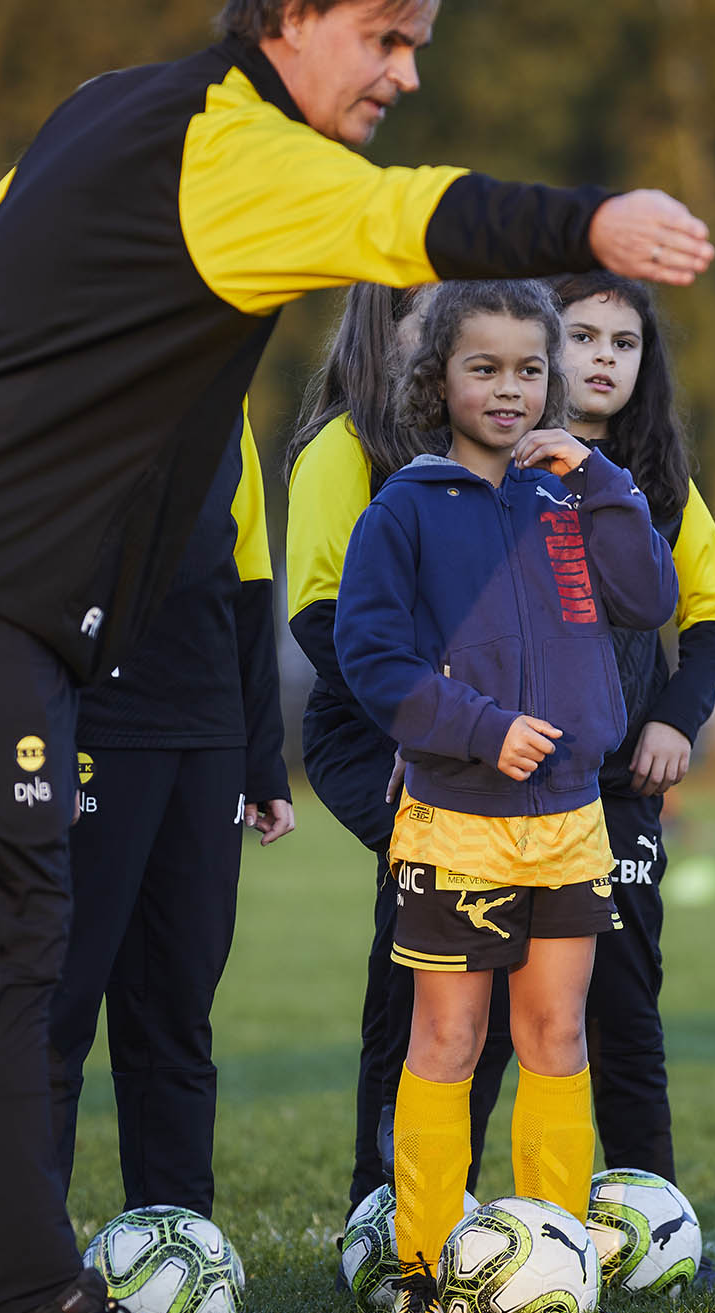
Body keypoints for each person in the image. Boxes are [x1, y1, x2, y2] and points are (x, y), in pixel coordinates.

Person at [0, 1, 712, 1313]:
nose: (406, 72)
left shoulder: (107, 110)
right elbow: (411, 218)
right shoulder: (224, 147)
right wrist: (595, 227)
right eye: (387, 36)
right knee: (3, 955)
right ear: (293, 19)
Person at [336, 278, 679, 1313]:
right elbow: (370, 656)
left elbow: (650, 598)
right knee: (443, 1043)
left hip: (572, 817)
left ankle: (555, 1266)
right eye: (482, 367)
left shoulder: (571, 490)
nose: (509, 388)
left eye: (529, 368)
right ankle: (428, 1273)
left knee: (556, 1036)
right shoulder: (405, 507)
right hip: (457, 820)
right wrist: (479, 730)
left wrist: (601, 475)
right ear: (436, 378)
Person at [465, 270, 715, 1290]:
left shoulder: (663, 486)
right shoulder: (490, 470)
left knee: (622, 1014)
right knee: (475, 1021)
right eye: (580, 336)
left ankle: (652, 1234)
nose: (600, 358)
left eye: (622, 343)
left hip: (616, 795)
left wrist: (675, 720)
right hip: (494, 792)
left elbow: (711, 618)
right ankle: (430, 1238)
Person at [284, 284, 514, 1240]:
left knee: (502, 964)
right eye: (433, 321)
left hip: (472, 732)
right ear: (391, 333)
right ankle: (383, 1206)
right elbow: (320, 613)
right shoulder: (344, 447)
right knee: (425, 957)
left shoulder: (491, 458)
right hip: (372, 729)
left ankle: (444, 1189)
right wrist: (422, 728)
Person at [46, 400, 292, 1223]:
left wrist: (262, 756)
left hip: (207, 740)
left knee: (178, 1013)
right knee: (58, 1007)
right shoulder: (75, 365)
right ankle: (20, 1277)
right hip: (89, 731)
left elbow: (249, 583)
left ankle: (178, 1256)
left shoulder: (229, 397)